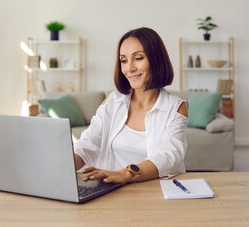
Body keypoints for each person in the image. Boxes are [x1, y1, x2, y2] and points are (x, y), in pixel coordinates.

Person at [74, 27, 188, 185]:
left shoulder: (175, 107)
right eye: (124, 60)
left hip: (155, 194)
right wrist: (64, 163)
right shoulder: (113, 102)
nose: (129, 68)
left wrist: (127, 173)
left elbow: (170, 157)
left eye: (138, 58)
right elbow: (88, 144)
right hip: (110, 193)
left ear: (156, 59)